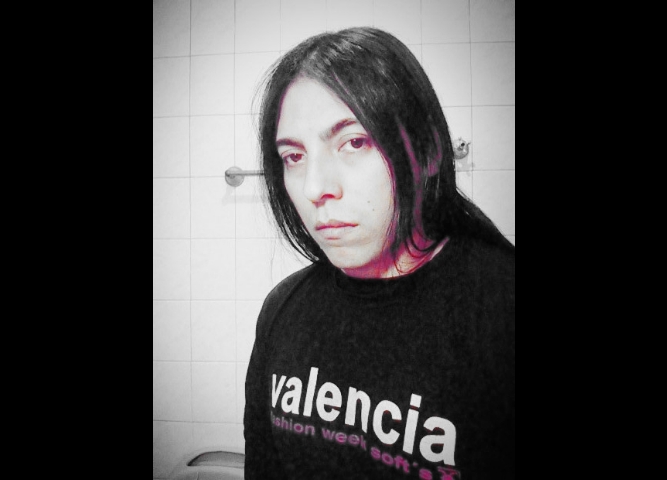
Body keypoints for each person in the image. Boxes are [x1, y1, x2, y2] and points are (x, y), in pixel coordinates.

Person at [244, 27, 515, 480]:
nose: (314, 188)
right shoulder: (284, 309)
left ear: (427, 150)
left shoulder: (500, 310)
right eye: (294, 157)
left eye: (354, 142)